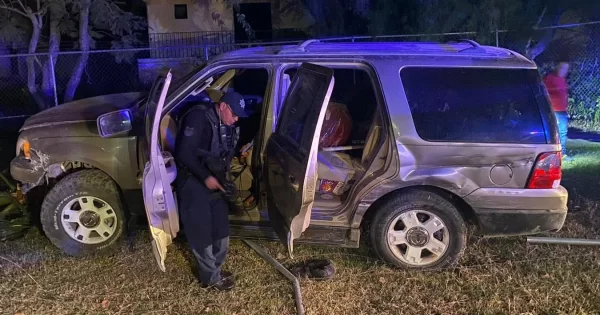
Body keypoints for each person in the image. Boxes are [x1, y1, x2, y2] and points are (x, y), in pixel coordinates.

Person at [174, 92, 248, 291]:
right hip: (192, 177)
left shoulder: (226, 124)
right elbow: (184, 153)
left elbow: (222, 154)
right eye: (234, 113)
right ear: (222, 106)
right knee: (201, 230)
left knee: (221, 226)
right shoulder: (198, 117)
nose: (236, 118)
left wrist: (224, 178)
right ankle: (210, 277)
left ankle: (217, 267)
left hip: (214, 177)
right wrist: (205, 177)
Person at [543, 62, 570, 160]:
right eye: (562, 68)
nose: (564, 71)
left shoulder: (562, 79)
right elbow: (545, 92)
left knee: (563, 132)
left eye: (566, 69)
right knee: (556, 132)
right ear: (556, 67)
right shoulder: (549, 79)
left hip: (562, 110)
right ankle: (555, 153)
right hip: (554, 110)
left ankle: (562, 153)